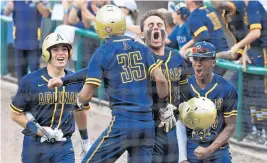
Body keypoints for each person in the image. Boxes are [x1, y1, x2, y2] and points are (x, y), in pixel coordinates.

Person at [48, 5, 169, 163]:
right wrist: (64, 80)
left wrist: (75, 101)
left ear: (101, 27)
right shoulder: (142, 48)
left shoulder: (103, 52)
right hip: (147, 125)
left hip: (123, 123)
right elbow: (161, 79)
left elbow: (86, 96)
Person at [9, 32, 91, 163]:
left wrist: (85, 140)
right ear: (47, 53)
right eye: (55, 49)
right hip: (35, 146)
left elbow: (80, 112)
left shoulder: (77, 82)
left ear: (69, 53)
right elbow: (15, 114)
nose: (61, 53)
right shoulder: (31, 81)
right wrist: (39, 130)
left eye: (64, 49)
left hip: (63, 145)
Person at [212, 0, 267, 146]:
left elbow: (256, 32)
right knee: (243, 93)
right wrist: (243, 52)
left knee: (260, 97)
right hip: (252, 55)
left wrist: (237, 47)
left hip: (263, 55)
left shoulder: (253, 4)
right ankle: (252, 130)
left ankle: (263, 132)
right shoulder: (231, 12)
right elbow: (245, 37)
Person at [139, 10, 189, 163]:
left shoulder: (176, 57)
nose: (155, 28)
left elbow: (186, 90)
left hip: (173, 127)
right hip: (148, 128)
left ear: (166, 32)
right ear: (142, 34)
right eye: (150, 25)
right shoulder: (138, 58)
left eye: (159, 25)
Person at [180, 41, 238, 162]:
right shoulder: (184, 87)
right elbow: (178, 124)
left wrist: (210, 150)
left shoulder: (227, 88)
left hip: (218, 148)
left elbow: (231, 126)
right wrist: (182, 158)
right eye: (195, 59)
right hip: (191, 147)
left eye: (203, 59)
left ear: (213, 62)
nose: (198, 64)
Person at [4, 0, 51, 84]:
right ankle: (21, 95)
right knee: (20, 72)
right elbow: (6, 13)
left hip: (34, 41)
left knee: (34, 71)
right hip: (19, 40)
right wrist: (9, 6)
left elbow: (47, 14)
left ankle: (34, 95)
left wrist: (37, 3)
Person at [180, 0, 229, 76]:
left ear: (190, 1)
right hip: (224, 52)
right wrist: (185, 47)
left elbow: (203, 37)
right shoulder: (208, 9)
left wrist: (191, 50)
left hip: (214, 56)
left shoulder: (194, 16)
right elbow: (199, 36)